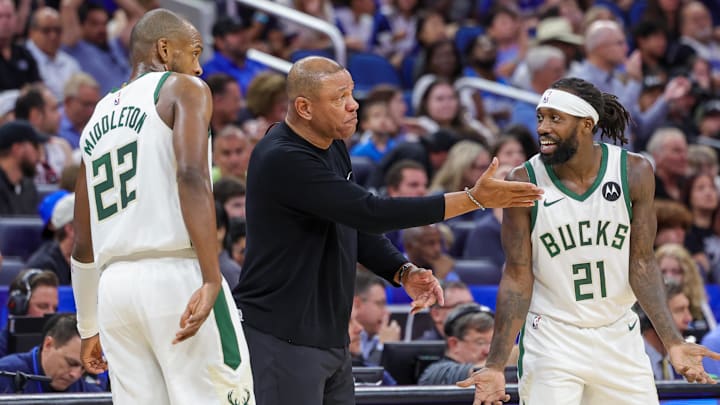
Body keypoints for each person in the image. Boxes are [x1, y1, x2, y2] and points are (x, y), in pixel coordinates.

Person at [234, 55, 543, 405]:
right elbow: (370, 212)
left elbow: (349, 222)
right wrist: (473, 198)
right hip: (281, 333)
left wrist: (401, 269)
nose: (353, 105)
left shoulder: (332, 143)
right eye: (339, 98)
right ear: (304, 107)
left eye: (351, 93)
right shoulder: (283, 157)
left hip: (329, 336)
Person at [457, 77, 720, 404]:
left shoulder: (633, 172)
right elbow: (516, 275)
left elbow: (641, 263)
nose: (542, 127)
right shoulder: (523, 181)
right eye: (540, 117)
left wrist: (673, 341)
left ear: (585, 124)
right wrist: (495, 365)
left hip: (619, 336)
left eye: (556, 118)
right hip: (553, 339)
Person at [71, 9, 255, 405]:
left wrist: (88, 325)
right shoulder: (181, 89)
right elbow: (192, 175)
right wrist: (210, 277)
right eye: (195, 52)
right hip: (176, 275)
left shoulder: (96, 117)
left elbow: (82, 242)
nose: (200, 68)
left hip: (115, 292)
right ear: (165, 49)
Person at [0, 313, 103, 393]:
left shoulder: (91, 395)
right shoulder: (4, 377)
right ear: (48, 344)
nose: (75, 375)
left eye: (84, 368)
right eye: (71, 363)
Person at [418, 303, 494, 385]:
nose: (488, 351)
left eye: (493, 343)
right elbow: (485, 373)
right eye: (480, 343)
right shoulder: (437, 373)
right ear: (454, 344)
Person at [0, 269, 59, 358]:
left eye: (55, 308)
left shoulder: (60, 345)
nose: (51, 313)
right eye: (42, 306)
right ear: (19, 307)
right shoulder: (3, 346)